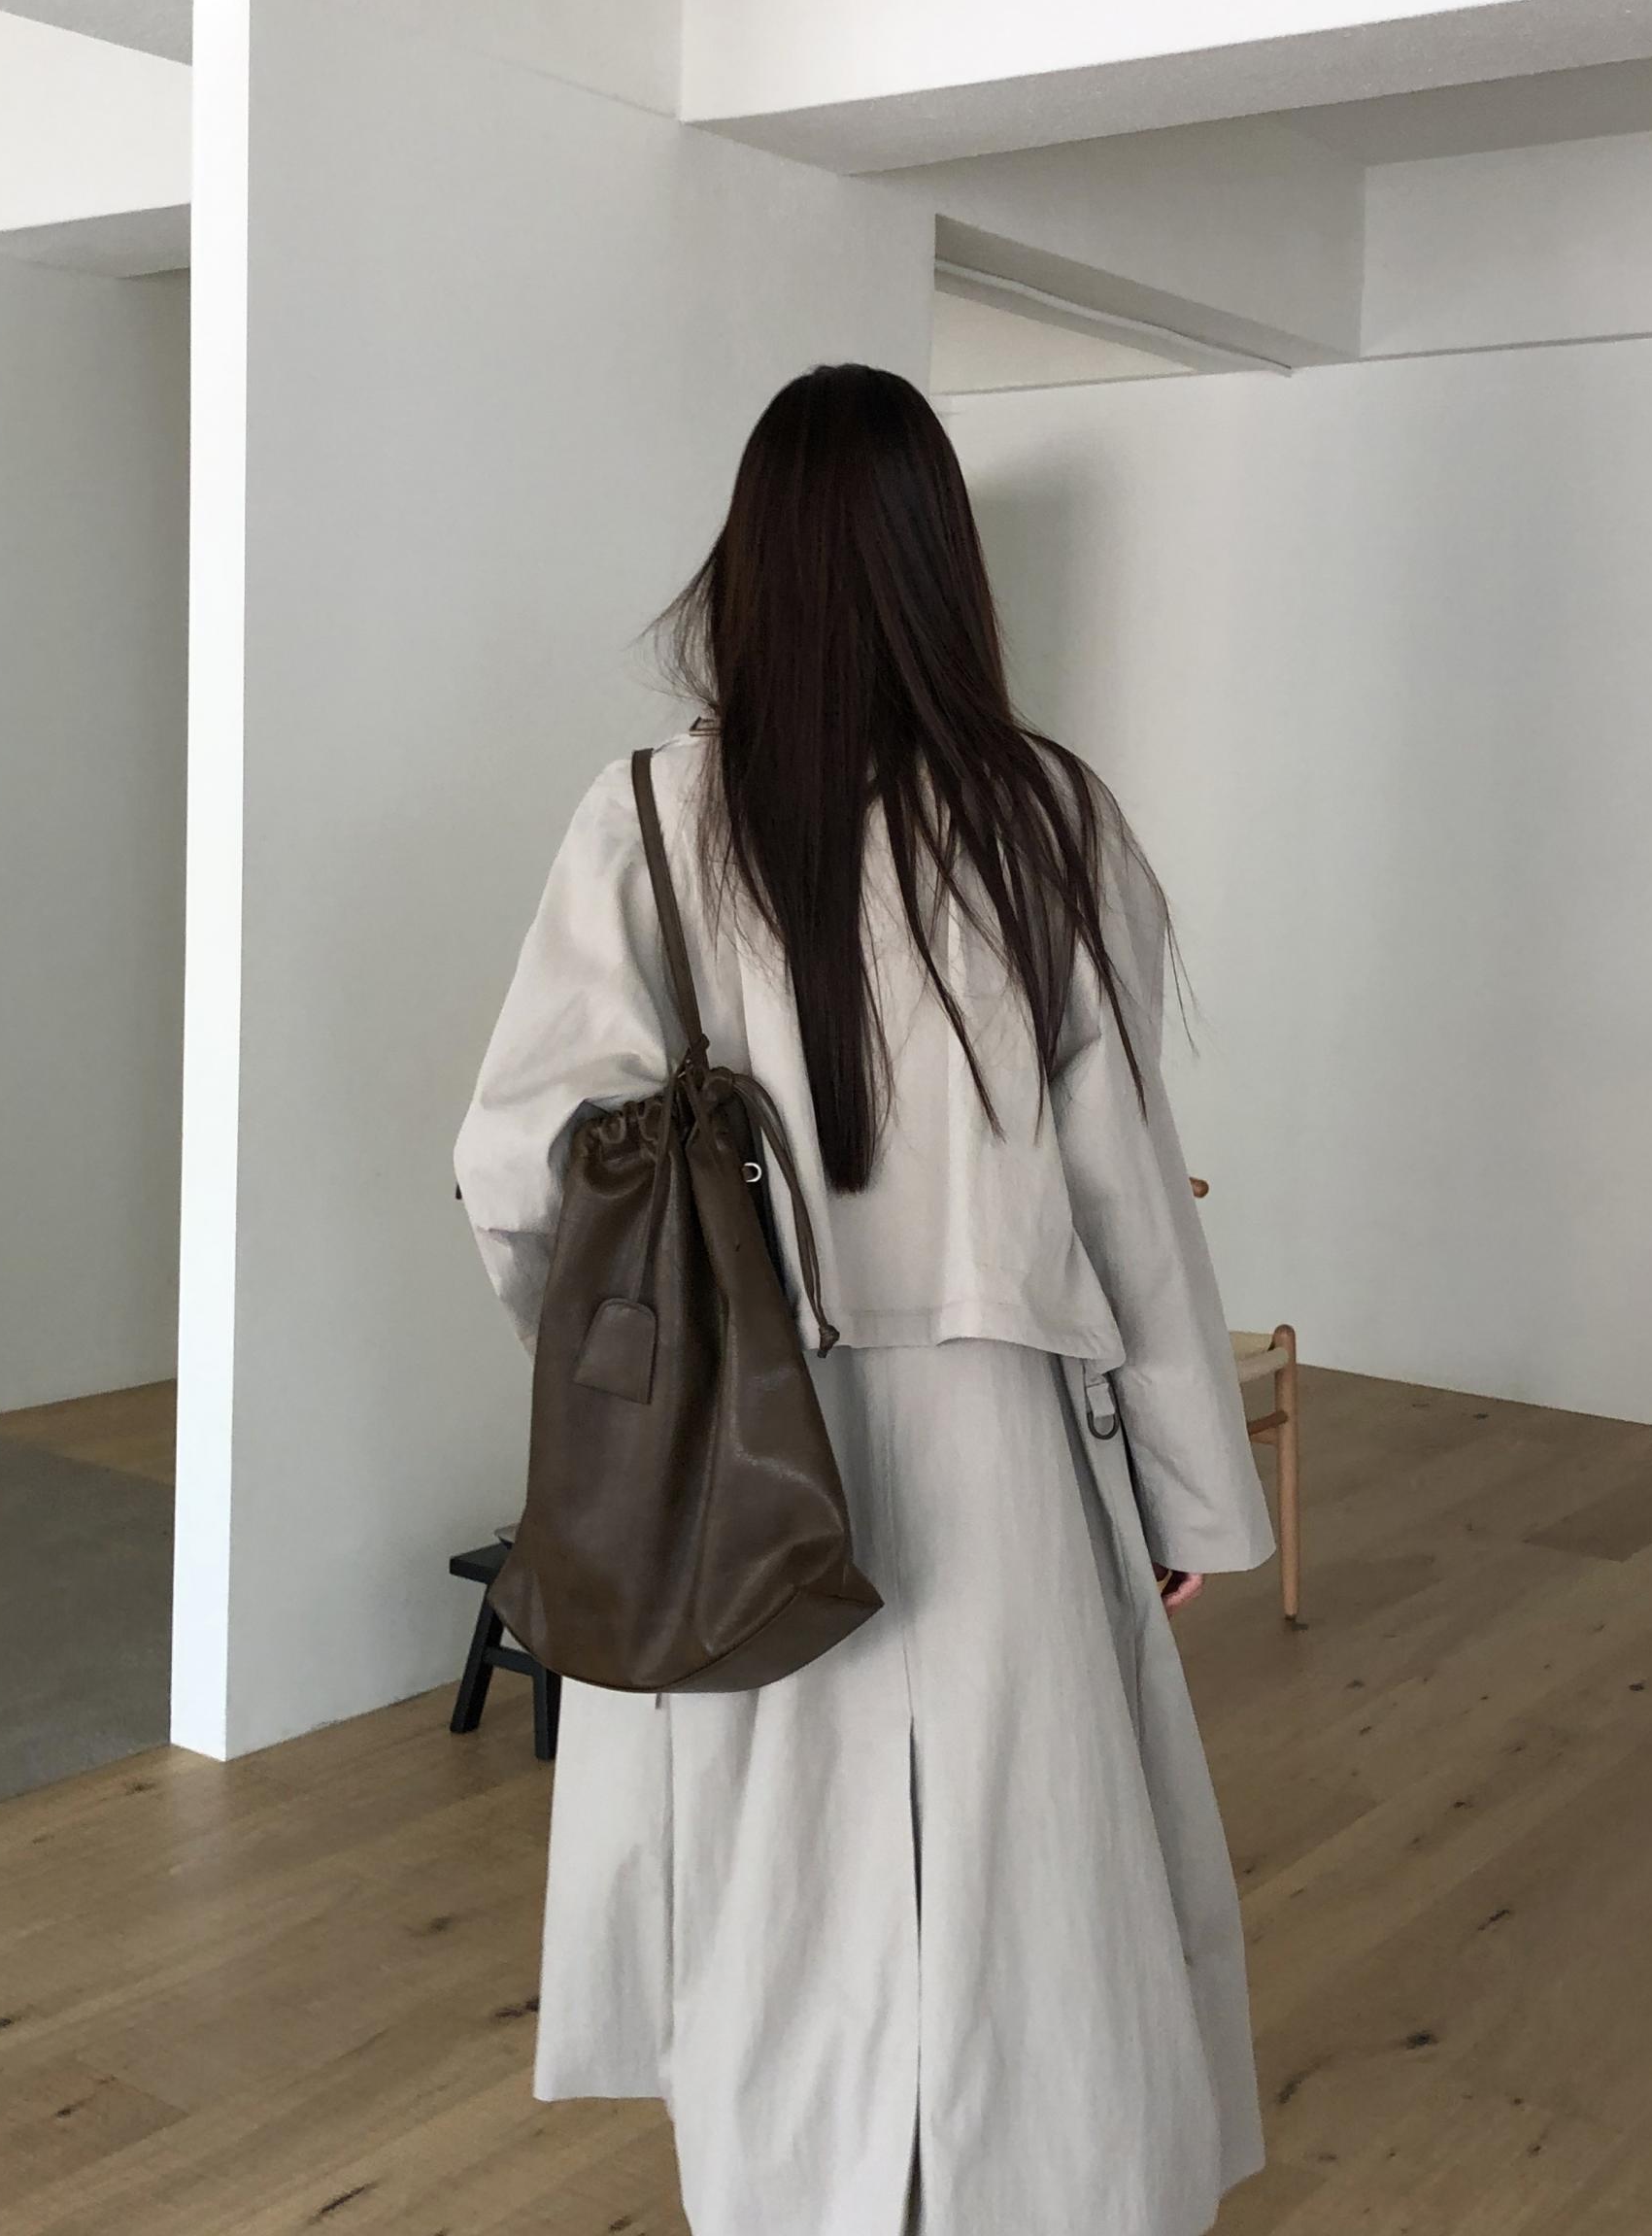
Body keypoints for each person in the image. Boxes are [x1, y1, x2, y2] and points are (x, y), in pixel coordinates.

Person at [454, 362, 1275, 2236]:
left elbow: (520, 1172)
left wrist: (635, 1396)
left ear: (744, 565)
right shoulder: (1047, 823)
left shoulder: (649, 818)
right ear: (939, 567)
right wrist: (1185, 1493)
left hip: (740, 1453)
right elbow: (1126, 1198)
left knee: (769, 1893)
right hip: (1004, 1447)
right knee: (1030, 1883)